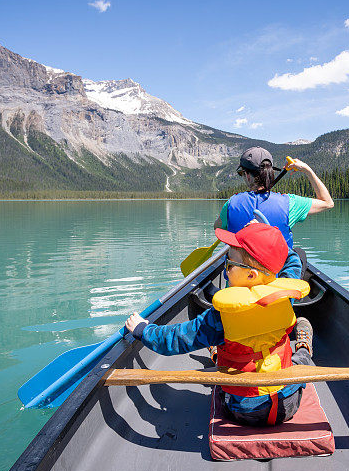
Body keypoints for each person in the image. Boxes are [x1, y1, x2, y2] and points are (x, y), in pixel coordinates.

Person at [125, 223, 314, 426]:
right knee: (298, 358)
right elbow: (292, 260)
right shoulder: (284, 295)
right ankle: (304, 346)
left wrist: (143, 330)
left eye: (229, 264)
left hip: (242, 411)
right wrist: (269, 237)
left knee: (224, 344)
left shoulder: (221, 317)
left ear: (251, 275)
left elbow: (175, 339)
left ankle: (217, 353)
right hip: (289, 403)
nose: (226, 268)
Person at [215, 147, 334, 279]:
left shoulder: (231, 203)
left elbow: (218, 228)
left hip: (237, 286)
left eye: (241, 173)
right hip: (275, 286)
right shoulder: (289, 203)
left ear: (248, 175)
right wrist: (307, 170)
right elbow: (328, 202)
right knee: (299, 254)